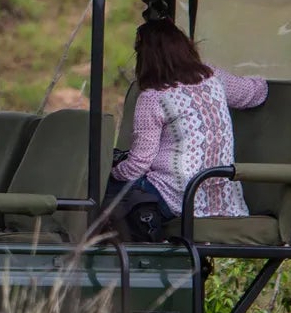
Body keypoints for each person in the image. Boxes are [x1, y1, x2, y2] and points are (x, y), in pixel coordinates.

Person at [109, 20, 269, 226]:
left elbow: (139, 164)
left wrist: (113, 172)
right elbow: (256, 93)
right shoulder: (214, 78)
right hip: (224, 199)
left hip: (176, 196)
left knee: (99, 190)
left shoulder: (153, 97)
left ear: (145, 58)